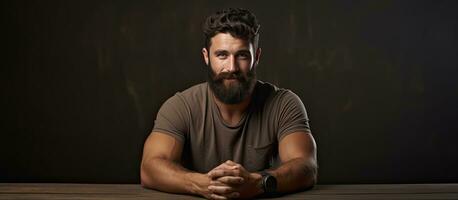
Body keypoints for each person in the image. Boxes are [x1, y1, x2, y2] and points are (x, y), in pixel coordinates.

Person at [140, 8, 317, 199]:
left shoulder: (284, 104)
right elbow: (150, 167)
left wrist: (259, 183)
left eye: (242, 55)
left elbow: (306, 166)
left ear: (256, 57)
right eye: (222, 55)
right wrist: (200, 184)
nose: (232, 67)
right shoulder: (180, 106)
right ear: (206, 56)